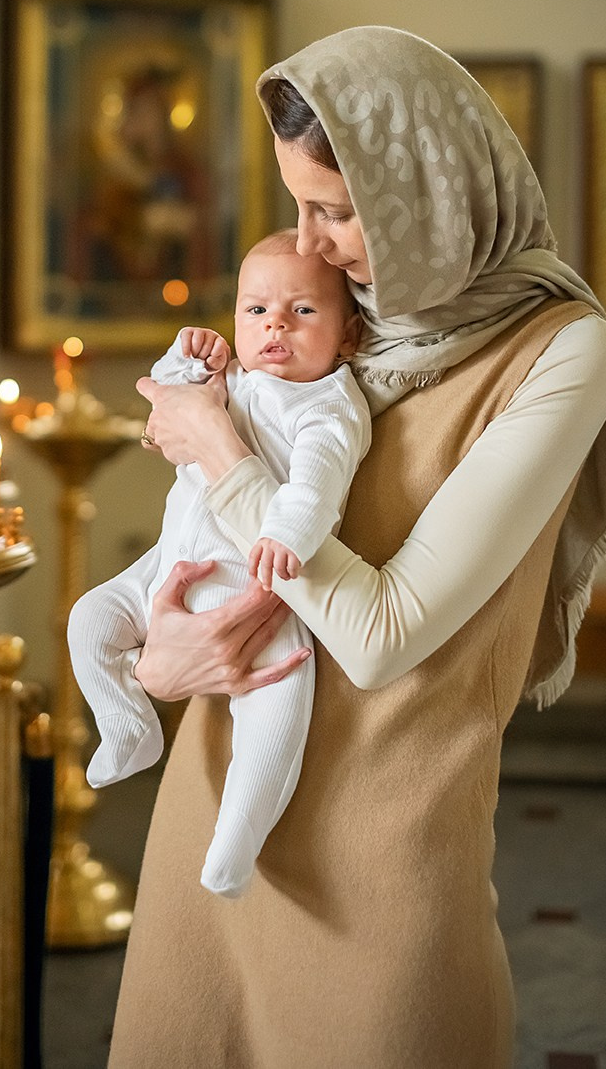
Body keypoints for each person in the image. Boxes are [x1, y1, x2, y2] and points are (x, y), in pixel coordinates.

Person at [107, 26, 606, 1069]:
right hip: (223, 811)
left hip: (385, 856)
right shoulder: (328, 317)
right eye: (299, 206)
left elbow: (384, 633)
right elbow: (200, 563)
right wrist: (158, 661)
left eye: (337, 211)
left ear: (426, 192)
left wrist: (219, 449)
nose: (309, 246)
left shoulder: (563, 351)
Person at [68, 230, 368, 898]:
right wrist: (185, 357)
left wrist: (288, 533)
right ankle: (127, 727)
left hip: (258, 585)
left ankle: (237, 840)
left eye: (303, 311)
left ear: (348, 336)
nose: (276, 326)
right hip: (166, 566)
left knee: (277, 717)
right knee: (88, 619)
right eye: (255, 310)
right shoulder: (232, 377)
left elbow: (316, 482)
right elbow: (169, 406)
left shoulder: (329, 406)